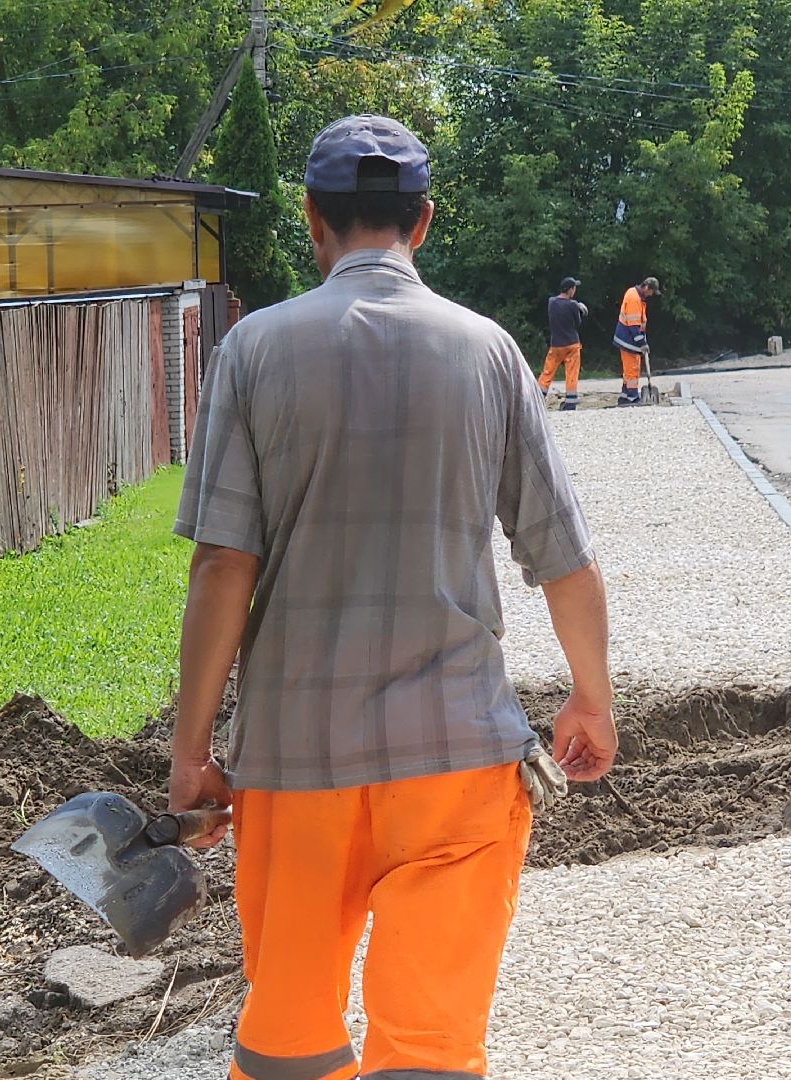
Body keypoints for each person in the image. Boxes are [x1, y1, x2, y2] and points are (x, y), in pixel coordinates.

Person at [168, 114, 617, 1080]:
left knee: (288, 1046)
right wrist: (591, 698)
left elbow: (221, 568)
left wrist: (193, 752)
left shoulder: (252, 351)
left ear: (311, 219)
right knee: (428, 1053)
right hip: (455, 760)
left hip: (295, 766)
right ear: (423, 221)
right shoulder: (490, 352)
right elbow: (562, 557)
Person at [538, 276, 586, 410]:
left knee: (547, 372)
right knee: (571, 373)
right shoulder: (572, 305)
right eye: (574, 288)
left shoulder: (551, 302)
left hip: (556, 344)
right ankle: (570, 402)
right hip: (572, 343)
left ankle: (538, 398)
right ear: (570, 290)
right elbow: (577, 323)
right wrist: (579, 310)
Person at [613, 276, 661, 405]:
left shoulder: (634, 293)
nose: (651, 295)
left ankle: (624, 396)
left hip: (628, 339)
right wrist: (642, 343)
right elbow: (633, 325)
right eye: (651, 292)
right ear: (646, 288)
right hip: (628, 340)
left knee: (629, 369)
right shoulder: (634, 299)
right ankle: (633, 397)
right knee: (632, 369)